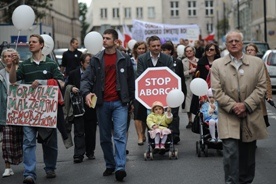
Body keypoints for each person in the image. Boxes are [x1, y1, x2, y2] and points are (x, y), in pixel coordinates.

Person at [211, 30, 268, 184]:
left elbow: (262, 87)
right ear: (226, 44)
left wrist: (246, 105)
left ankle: (245, 181)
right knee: (230, 153)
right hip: (228, 115)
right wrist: (234, 106)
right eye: (231, 41)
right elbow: (217, 91)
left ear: (242, 43)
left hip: (251, 115)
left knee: (248, 156)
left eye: (237, 41)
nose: (234, 43)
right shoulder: (217, 64)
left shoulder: (256, 63)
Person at [80, 29, 135, 182]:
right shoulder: (96, 59)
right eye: (103, 38)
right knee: (104, 137)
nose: (104, 40)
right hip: (102, 103)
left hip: (120, 103)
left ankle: (120, 167)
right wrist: (86, 93)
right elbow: (86, 79)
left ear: (116, 41)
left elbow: (131, 81)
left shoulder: (124, 58)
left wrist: (131, 101)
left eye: (107, 38)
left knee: (119, 135)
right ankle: (110, 164)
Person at [9, 34, 64, 184]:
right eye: (29, 42)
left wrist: (42, 82)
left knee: (50, 141)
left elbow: (61, 83)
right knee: (28, 141)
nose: (30, 44)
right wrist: (14, 66)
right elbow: (13, 80)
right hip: (29, 111)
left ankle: (50, 167)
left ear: (41, 45)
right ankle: (29, 173)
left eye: (33, 42)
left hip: (47, 111)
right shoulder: (25, 64)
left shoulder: (51, 64)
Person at [66, 53, 97, 163]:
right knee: (79, 131)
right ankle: (78, 154)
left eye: (91, 63)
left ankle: (90, 151)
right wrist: (72, 88)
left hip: (91, 105)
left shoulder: (95, 73)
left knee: (91, 130)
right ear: (82, 63)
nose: (89, 65)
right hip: (77, 106)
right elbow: (66, 85)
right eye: (88, 63)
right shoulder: (73, 73)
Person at [0, 48, 23, 178]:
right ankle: (8, 167)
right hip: (5, 111)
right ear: (3, 59)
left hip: (21, 110)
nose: (8, 58)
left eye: (10, 56)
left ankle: (27, 164)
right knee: (7, 140)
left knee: (22, 139)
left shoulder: (21, 71)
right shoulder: (0, 74)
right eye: (6, 56)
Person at [161, 42, 186, 144]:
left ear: (170, 51)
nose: (163, 52)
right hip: (162, 92)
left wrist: (183, 93)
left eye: (165, 50)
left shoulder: (178, 62)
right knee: (163, 114)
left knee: (174, 114)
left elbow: (181, 79)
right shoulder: (160, 61)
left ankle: (175, 135)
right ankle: (164, 134)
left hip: (174, 92)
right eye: (162, 50)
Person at [190, 43, 220, 119]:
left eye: (211, 49)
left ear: (216, 51)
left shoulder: (220, 62)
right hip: (204, 89)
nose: (209, 51)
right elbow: (197, 77)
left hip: (217, 88)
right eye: (207, 49)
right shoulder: (201, 62)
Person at [245, 43, 273, 127]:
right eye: (248, 50)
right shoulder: (242, 62)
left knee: (259, 121)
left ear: (256, 52)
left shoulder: (260, 63)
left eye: (252, 50)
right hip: (246, 94)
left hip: (258, 94)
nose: (249, 52)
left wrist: (269, 95)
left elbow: (266, 79)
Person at [131, 41, 148, 145]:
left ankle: (143, 132)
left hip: (146, 91)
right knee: (137, 114)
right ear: (136, 50)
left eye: (143, 49)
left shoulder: (148, 60)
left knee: (145, 115)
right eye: (139, 48)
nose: (141, 50)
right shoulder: (131, 61)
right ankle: (139, 136)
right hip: (135, 91)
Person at [182, 46, 198, 128]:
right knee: (188, 101)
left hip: (197, 83)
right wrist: (189, 71)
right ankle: (190, 120)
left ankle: (197, 119)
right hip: (187, 82)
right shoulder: (182, 62)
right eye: (187, 51)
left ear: (193, 51)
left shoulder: (198, 61)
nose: (189, 52)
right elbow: (181, 74)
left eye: (190, 51)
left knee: (197, 100)